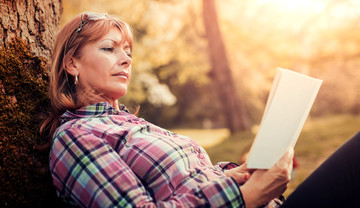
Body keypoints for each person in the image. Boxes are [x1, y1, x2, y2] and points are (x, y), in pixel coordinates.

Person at [40, 12, 360, 208]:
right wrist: (246, 197)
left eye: (128, 51)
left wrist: (241, 174)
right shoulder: (77, 137)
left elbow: (191, 185)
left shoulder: (128, 123)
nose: (125, 59)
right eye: (109, 49)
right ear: (71, 62)